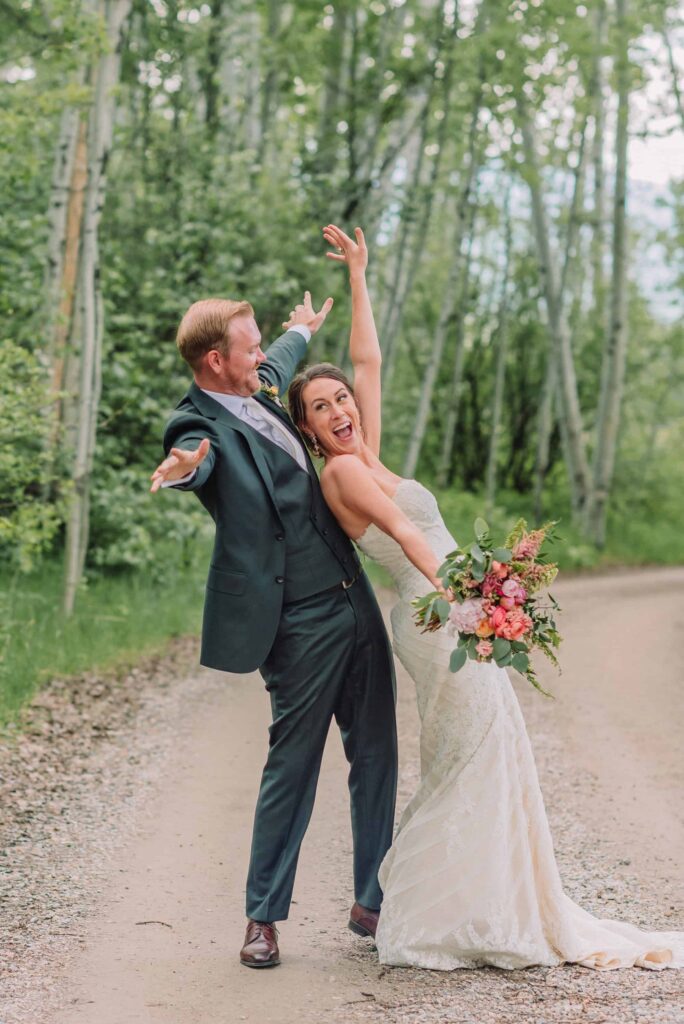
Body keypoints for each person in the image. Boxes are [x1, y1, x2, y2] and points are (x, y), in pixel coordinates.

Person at [286, 223, 684, 972]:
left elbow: (368, 359)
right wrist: (465, 596)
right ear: (306, 431)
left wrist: (361, 277)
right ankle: (441, 910)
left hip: (454, 611)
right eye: (322, 408)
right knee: (467, 758)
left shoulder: (365, 450)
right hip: (434, 617)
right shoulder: (341, 475)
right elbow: (405, 532)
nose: (341, 409)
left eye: (343, 399)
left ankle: (485, 900)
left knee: (493, 752)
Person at [150, 291, 398, 969]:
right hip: (294, 623)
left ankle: (372, 901)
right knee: (293, 766)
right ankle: (262, 918)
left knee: (377, 753)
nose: (263, 357)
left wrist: (298, 328)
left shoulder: (257, 380)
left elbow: (281, 353)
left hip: (356, 602)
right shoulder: (194, 423)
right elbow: (193, 458)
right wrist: (183, 471)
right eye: (249, 347)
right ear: (214, 360)